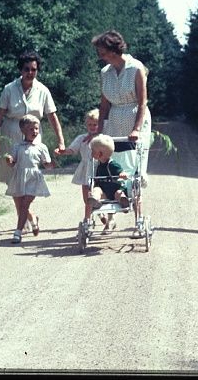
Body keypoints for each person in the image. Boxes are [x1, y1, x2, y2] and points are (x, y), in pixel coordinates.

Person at [0, 51, 66, 231]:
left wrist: (60, 141)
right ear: (21, 69)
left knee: (29, 178)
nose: (30, 73)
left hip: (33, 136)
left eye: (34, 69)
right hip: (11, 132)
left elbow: (52, 117)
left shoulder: (43, 90)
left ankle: (24, 217)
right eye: (26, 69)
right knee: (13, 179)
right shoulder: (10, 89)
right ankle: (27, 217)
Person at [91, 30, 151, 239]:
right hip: (114, 122)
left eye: (103, 52)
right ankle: (110, 216)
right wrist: (99, 133)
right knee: (110, 168)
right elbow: (104, 105)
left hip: (135, 119)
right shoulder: (106, 72)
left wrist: (136, 128)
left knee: (133, 172)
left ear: (114, 50)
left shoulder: (136, 68)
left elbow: (142, 102)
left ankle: (139, 219)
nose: (100, 56)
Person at [56, 108, 115, 234]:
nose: (92, 127)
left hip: (101, 169)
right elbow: (72, 150)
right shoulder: (82, 138)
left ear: (100, 125)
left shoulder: (104, 138)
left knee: (106, 193)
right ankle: (88, 220)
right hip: (86, 169)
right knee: (87, 198)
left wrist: (94, 136)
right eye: (90, 124)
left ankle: (110, 218)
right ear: (86, 124)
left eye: (95, 124)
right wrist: (62, 151)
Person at [4, 115, 58, 244]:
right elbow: (13, 164)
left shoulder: (41, 147)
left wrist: (53, 163)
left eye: (36, 129)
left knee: (25, 204)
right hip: (19, 177)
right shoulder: (17, 147)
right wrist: (9, 161)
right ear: (22, 130)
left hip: (34, 178)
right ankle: (33, 221)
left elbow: (47, 164)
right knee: (21, 205)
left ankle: (18, 232)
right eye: (31, 129)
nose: (34, 132)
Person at [86, 134, 130, 211]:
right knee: (97, 190)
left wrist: (122, 174)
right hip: (104, 190)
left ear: (100, 154)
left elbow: (120, 171)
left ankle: (123, 200)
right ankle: (95, 200)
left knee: (119, 193)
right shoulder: (98, 164)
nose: (92, 154)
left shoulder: (112, 164)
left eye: (93, 151)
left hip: (115, 188)